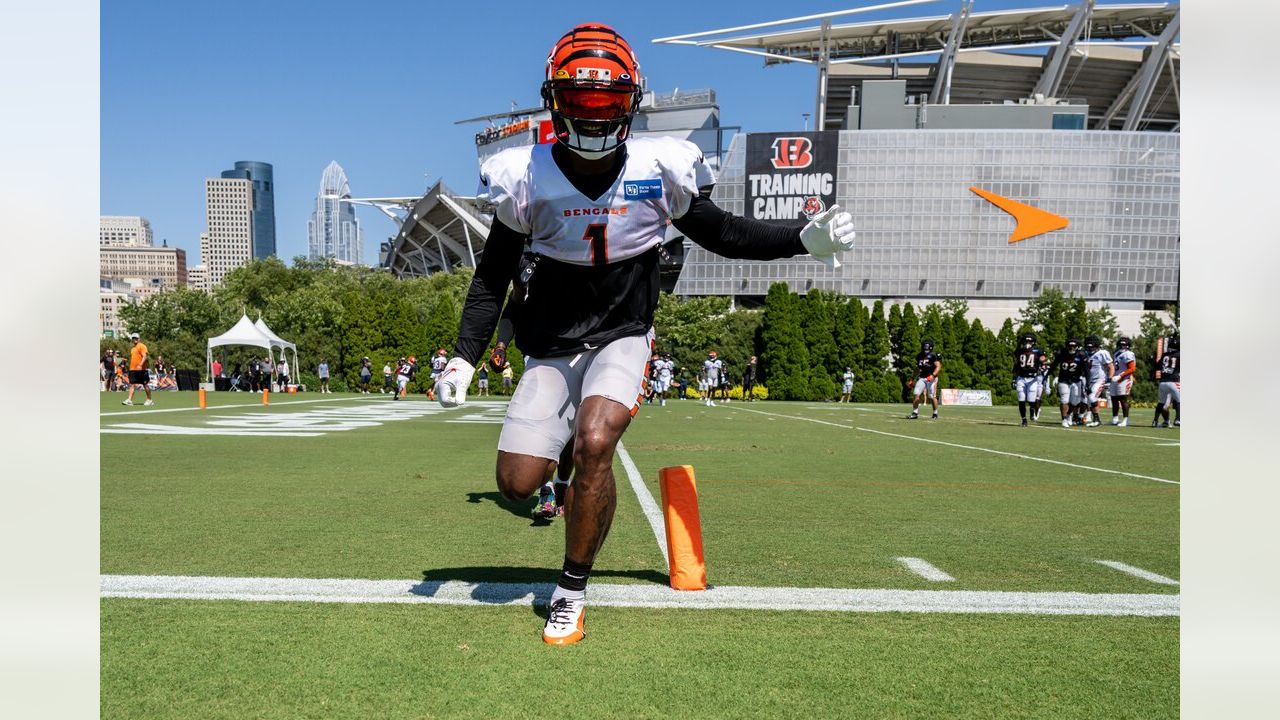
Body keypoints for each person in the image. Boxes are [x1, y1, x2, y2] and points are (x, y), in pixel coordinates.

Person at [433, 22, 854, 647]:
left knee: (597, 438)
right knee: (517, 484)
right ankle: (565, 475)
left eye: (607, 103)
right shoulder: (525, 175)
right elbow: (493, 275)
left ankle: (570, 590)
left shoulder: (660, 167)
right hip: (550, 343)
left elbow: (726, 234)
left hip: (623, 331)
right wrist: (465, 356)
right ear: (556, 103)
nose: (596, 118)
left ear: (630, 102)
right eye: (583, 103)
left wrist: (801, 238)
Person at [1013, 332, 1048, 427]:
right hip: (1021, 377)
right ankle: (1024, 420)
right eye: (1025, 341)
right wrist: (1014, 378)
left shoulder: (1038, 351)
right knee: (1021, 399)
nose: (1027, 343)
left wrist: (1043, 365)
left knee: (1032, 400)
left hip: (1033, 378)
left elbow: (1044, 359)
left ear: (1033, 342)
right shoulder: (1019, 351)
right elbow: (1016, 364)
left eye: (1029, 341)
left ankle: (1032, 411)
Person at [1052, 338, 1087, 429]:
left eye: (1074, 346)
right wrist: (1052, 376)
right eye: (1070, 346)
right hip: (1063, 380)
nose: (1071, 348)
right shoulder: (1062, 353)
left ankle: (1068, 415)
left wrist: (1088, 382)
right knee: (1064, 400)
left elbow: (1086, 370)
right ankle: (1064, 419)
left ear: (1077, 347)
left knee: (1075, 402)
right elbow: (1053, 365)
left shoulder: (1081, 355)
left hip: (1076, 380)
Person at [1081, 335, 1114, 427]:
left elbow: (1110, 366)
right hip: (1088, 380)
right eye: (1088, 347)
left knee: (1092, 397)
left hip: (1099, 379)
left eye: (1092, 347)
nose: (1090, 349)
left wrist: (1109, 379)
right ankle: (1086, 417)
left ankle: (1097, 420)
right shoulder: (1085, 353)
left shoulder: (1102, 353)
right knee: (1086, 400)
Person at [907, 340, 942, 419]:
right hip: (922, 377)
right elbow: (917, 368)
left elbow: (938, 366)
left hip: (931, 378)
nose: (925, 350)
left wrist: (933, 375)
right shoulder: (919, 356)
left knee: (931, 396)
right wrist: (912, 378)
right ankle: (915, 413)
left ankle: (935, 413)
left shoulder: (933, 355)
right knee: (916, 393)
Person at [1108, 337, 1137, 427]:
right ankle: (1115, 418)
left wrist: (1120, 376)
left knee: (1123, 399)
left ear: (1128, 346)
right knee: (1114, 399)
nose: (1122, 346)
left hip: (1125, 379)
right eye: (1121, 345)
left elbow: (1132, 368)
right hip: (1115, 378)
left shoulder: (1128, 354)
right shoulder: (1117, 353)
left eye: (1124, 345)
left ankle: (1125, 420)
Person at [1153, 335, 1180, 428]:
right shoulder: (1179, 355)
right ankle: (1178, 419)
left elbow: (1157, 366)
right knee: (1180, 401)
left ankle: (1155, 421)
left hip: (1163, 382)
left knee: (1162, 403)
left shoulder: (1165, 355)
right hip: (1174, 381)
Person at [121, 332, 154, 406]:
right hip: (133, 370)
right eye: (133, 338)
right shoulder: (132, 348)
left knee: (145, 384)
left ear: (139, 339)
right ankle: (129, 400)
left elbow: (145, 356)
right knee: (132, 384)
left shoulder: (142, 346)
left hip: (141, 370)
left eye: (136, 338)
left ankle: (149, 400)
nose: (134, 339)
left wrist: (140, 365)